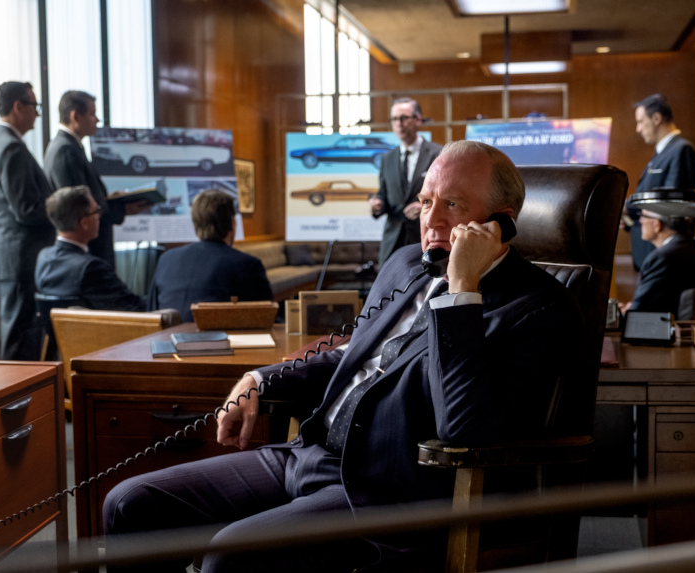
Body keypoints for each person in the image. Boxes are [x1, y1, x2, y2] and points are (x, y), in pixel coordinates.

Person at [103, 141, 582, 573]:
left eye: (453, 205)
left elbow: (466, 427)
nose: (431, 220)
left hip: (387, 493)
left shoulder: (538, 306)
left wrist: (462, 291)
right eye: (426, 201)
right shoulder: (404, 266)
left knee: (230, 555)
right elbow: (354, 358)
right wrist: (262, 379)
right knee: (129, 504)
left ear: (500, 221)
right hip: (309, 454)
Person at [0, 81, 56, 360]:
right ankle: (16, 402)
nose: (38, 113)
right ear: (18, 107)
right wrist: (63, 214)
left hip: (13, 258)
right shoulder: (11, 148)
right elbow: (26, 210)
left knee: (15, 334)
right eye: (34, 106)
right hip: (20, 258)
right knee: (18, 339)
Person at [43, 90, 148, 268]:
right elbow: (77, 207)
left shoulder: (70, 146)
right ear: (75, 116)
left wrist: (108, 199)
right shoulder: (65, 150)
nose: (97, 120)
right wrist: (121, 209)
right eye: (92, 114)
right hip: (89, 252)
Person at [147, 190, 272, 322]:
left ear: (195, 223)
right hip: (219, 341)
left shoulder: (167, 259)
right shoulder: (247, 264)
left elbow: (152, 314)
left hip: (165, 340)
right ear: (232, 223)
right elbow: (267, 318)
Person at [35, 185, 146, 311]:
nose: (100, 215)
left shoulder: (43, 258)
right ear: (84, 223)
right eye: (97, 210)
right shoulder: (91, 268)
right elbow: (133, 307)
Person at [624, 93, 695, 271]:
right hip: (649, 253)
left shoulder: (681, 150)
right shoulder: (661, 153)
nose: (638, 129)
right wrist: (628, 216)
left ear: (656, 118)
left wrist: (628, 207)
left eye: (641, 121)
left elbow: (669, 204)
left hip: (666, 256)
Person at [369, 97, 442, 266]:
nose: (399, 123)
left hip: (425, 237)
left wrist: (424, 205)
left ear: (418, 120)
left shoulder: (438, 154)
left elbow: (447, 195)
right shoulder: (387, 158)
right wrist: (377, 203)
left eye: (403, 118)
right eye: (394, 119)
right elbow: (384, 194)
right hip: (393, 240)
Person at [622, 209, 695, 316]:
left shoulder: (662, 257)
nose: (641, 220)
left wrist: (624, 311)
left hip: (674, 328)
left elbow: (635, 314)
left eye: (644, 216)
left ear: (657, 224)